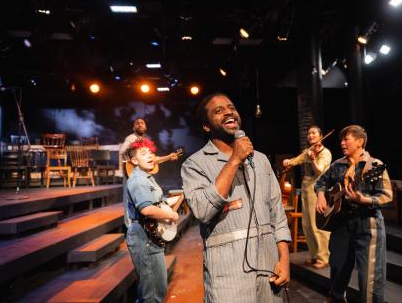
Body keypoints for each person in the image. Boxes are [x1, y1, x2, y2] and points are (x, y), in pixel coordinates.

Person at [181, 93, 291, 302]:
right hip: (228, 275)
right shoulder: (194, 164)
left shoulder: (260, 160)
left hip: (269, 269)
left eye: (231, 107)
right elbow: (203, 210)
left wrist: (284, 260)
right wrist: (234, 160)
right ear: (206, 126)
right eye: (219, 111)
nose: (228, 112)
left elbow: (277, 214)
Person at [315, 125, 392, 303]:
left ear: (360, 141)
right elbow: (321, 182)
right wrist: (320, 195)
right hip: (342, 224)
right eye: (341, 140)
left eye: (346, 139)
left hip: (367, 224)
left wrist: (363, 199)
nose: (342, 143)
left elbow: (387, 196)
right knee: (337, 272)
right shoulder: (338, 165)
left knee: (370, 280)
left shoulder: (375, 165)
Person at [125, 137, 180, 303]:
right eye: (143, 153)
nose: (150, 156)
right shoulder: (139, 180)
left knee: (149, 291)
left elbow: (155, 203)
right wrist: (171, 215)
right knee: (153, 293)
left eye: (150, 152)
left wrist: (172, 201)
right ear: (134, 160)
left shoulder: (146, 177)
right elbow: (147, 209)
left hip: (148, 236)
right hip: (144, 239)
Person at [282, 125, 332, 269]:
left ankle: (324, 257)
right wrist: (288, 161)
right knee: (307, 224)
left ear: (320, 135)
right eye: (309, 133)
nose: (310, 135)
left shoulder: (325, 153)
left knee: (317, 223)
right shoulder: (309, 151)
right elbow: (297, 159)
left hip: (317, 189)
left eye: (313, 133)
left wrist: (312, 160)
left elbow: (319, 170)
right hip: (306, 187)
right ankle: (314, 255)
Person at [120, 117, 178, 227]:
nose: (140, 125)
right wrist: (132, 157)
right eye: (137, 123)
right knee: (130, 201)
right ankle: (129, 225)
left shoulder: (147, 141)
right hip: (131, 171)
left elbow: (154, 159)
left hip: (149, 229)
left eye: (142, 123)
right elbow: (123, 151)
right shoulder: (131, 138)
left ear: (145, 126)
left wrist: (169, 157)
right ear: (133, 127)